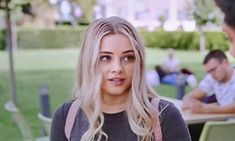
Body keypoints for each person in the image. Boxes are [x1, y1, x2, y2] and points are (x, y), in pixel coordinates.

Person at [51, 17, 191, 141]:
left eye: (127, 57)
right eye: (105, 58)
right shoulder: (67, 116)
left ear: (138, 62)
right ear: (88, 62)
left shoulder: (165, 116)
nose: (117, 68)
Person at [182, 50, 235, 114]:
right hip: (222, 121)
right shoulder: (212, 77)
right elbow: (191, 95)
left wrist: (206, 109)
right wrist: (189, 101)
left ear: (225, 63)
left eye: (213, 69)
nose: (212, 74)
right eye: (209, 71)